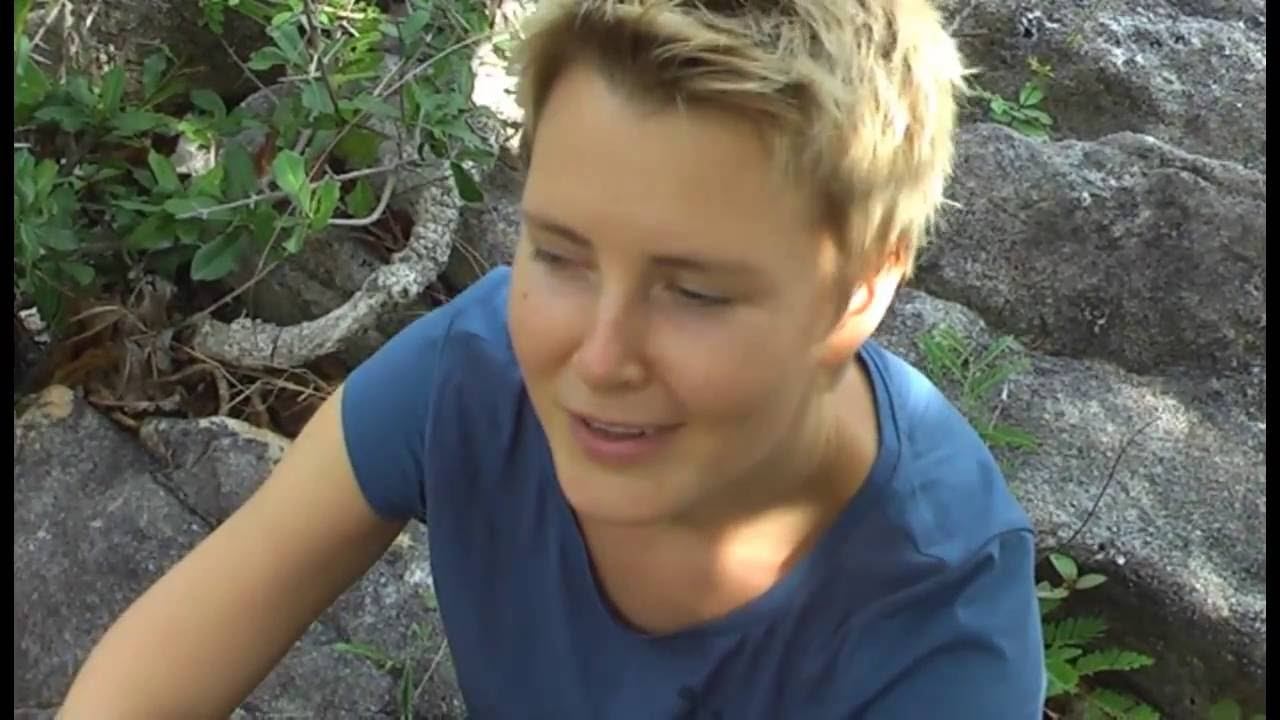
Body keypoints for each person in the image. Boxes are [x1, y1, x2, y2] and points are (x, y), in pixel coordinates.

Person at [59, 0, 1047, 717]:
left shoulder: (938, 632)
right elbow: (151, 679)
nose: (599, 358)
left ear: (862, 290)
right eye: (561, 257)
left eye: (696, 292)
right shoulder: (474, 370)